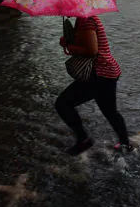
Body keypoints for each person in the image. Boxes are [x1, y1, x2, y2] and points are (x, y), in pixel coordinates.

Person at [57, 16, 133, 155]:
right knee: (110, 111)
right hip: (105, 72)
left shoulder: (86, 20)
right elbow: (85, 46)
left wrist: (69, 46)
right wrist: (68, 43)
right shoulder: (82, 19)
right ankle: (125, 145)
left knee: (63, 103)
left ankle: (83, 139)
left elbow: (92, 50)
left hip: (100, 73)